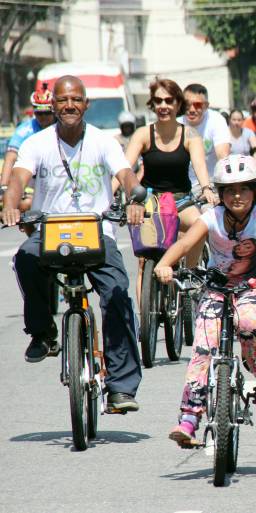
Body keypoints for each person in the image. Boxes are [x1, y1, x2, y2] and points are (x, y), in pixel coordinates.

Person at [2, 76, 145, 411]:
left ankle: (121, 387)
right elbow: (18, 178)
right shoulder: (36, 144)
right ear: (53, 106)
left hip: (97, 232)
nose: (69, 106)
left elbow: (125, 174)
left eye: (76, 100)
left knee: (117, 292)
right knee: (24, 258)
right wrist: (10, 204)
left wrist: (134, 196)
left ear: (85, 104)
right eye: (63, 101)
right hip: (50, 231)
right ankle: (44, 334)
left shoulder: (103, 141)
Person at [154, 155, 256, 446]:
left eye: (243, 189)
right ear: (220, 194)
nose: (236, 196)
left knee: (247, 321)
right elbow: (184, 243)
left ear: (255, 190)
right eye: (229, 190)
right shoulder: (212, 217)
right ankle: (190, 418)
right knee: (203, 348)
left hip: (252, 287)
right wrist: (165, 264)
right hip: (215, 288)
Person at [125, 77, 218, 278]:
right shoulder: (143, 134)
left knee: (200, 225)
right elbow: (124, 169)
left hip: (181, 200)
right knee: (144, 260)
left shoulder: (191, 135)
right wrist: (110, 196)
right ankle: (145, 309)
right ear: (152, 104)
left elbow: (200, 166)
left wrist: (207, 189)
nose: (163, 106)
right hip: (150, 200)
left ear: (178, 104)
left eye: (169, 101)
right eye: (158, 101)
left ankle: (190, 276)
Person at [1, 86, 57, 212]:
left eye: (47, 112)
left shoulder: (63, 127)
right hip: (33, 178)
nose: (43, 117)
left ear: (54, 110)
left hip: (56, 174)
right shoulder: (25, 129)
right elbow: (11, 157)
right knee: (26, 204)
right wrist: (3, 186)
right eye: (38, 113)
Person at [179, 83, 230, 189]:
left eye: (197, 105)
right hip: (182, 186)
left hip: (211, 182)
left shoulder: (217, 120)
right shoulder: (176, 124)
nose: (192, 109)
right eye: (187, 104)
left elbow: (223, 156)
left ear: (206, 106)